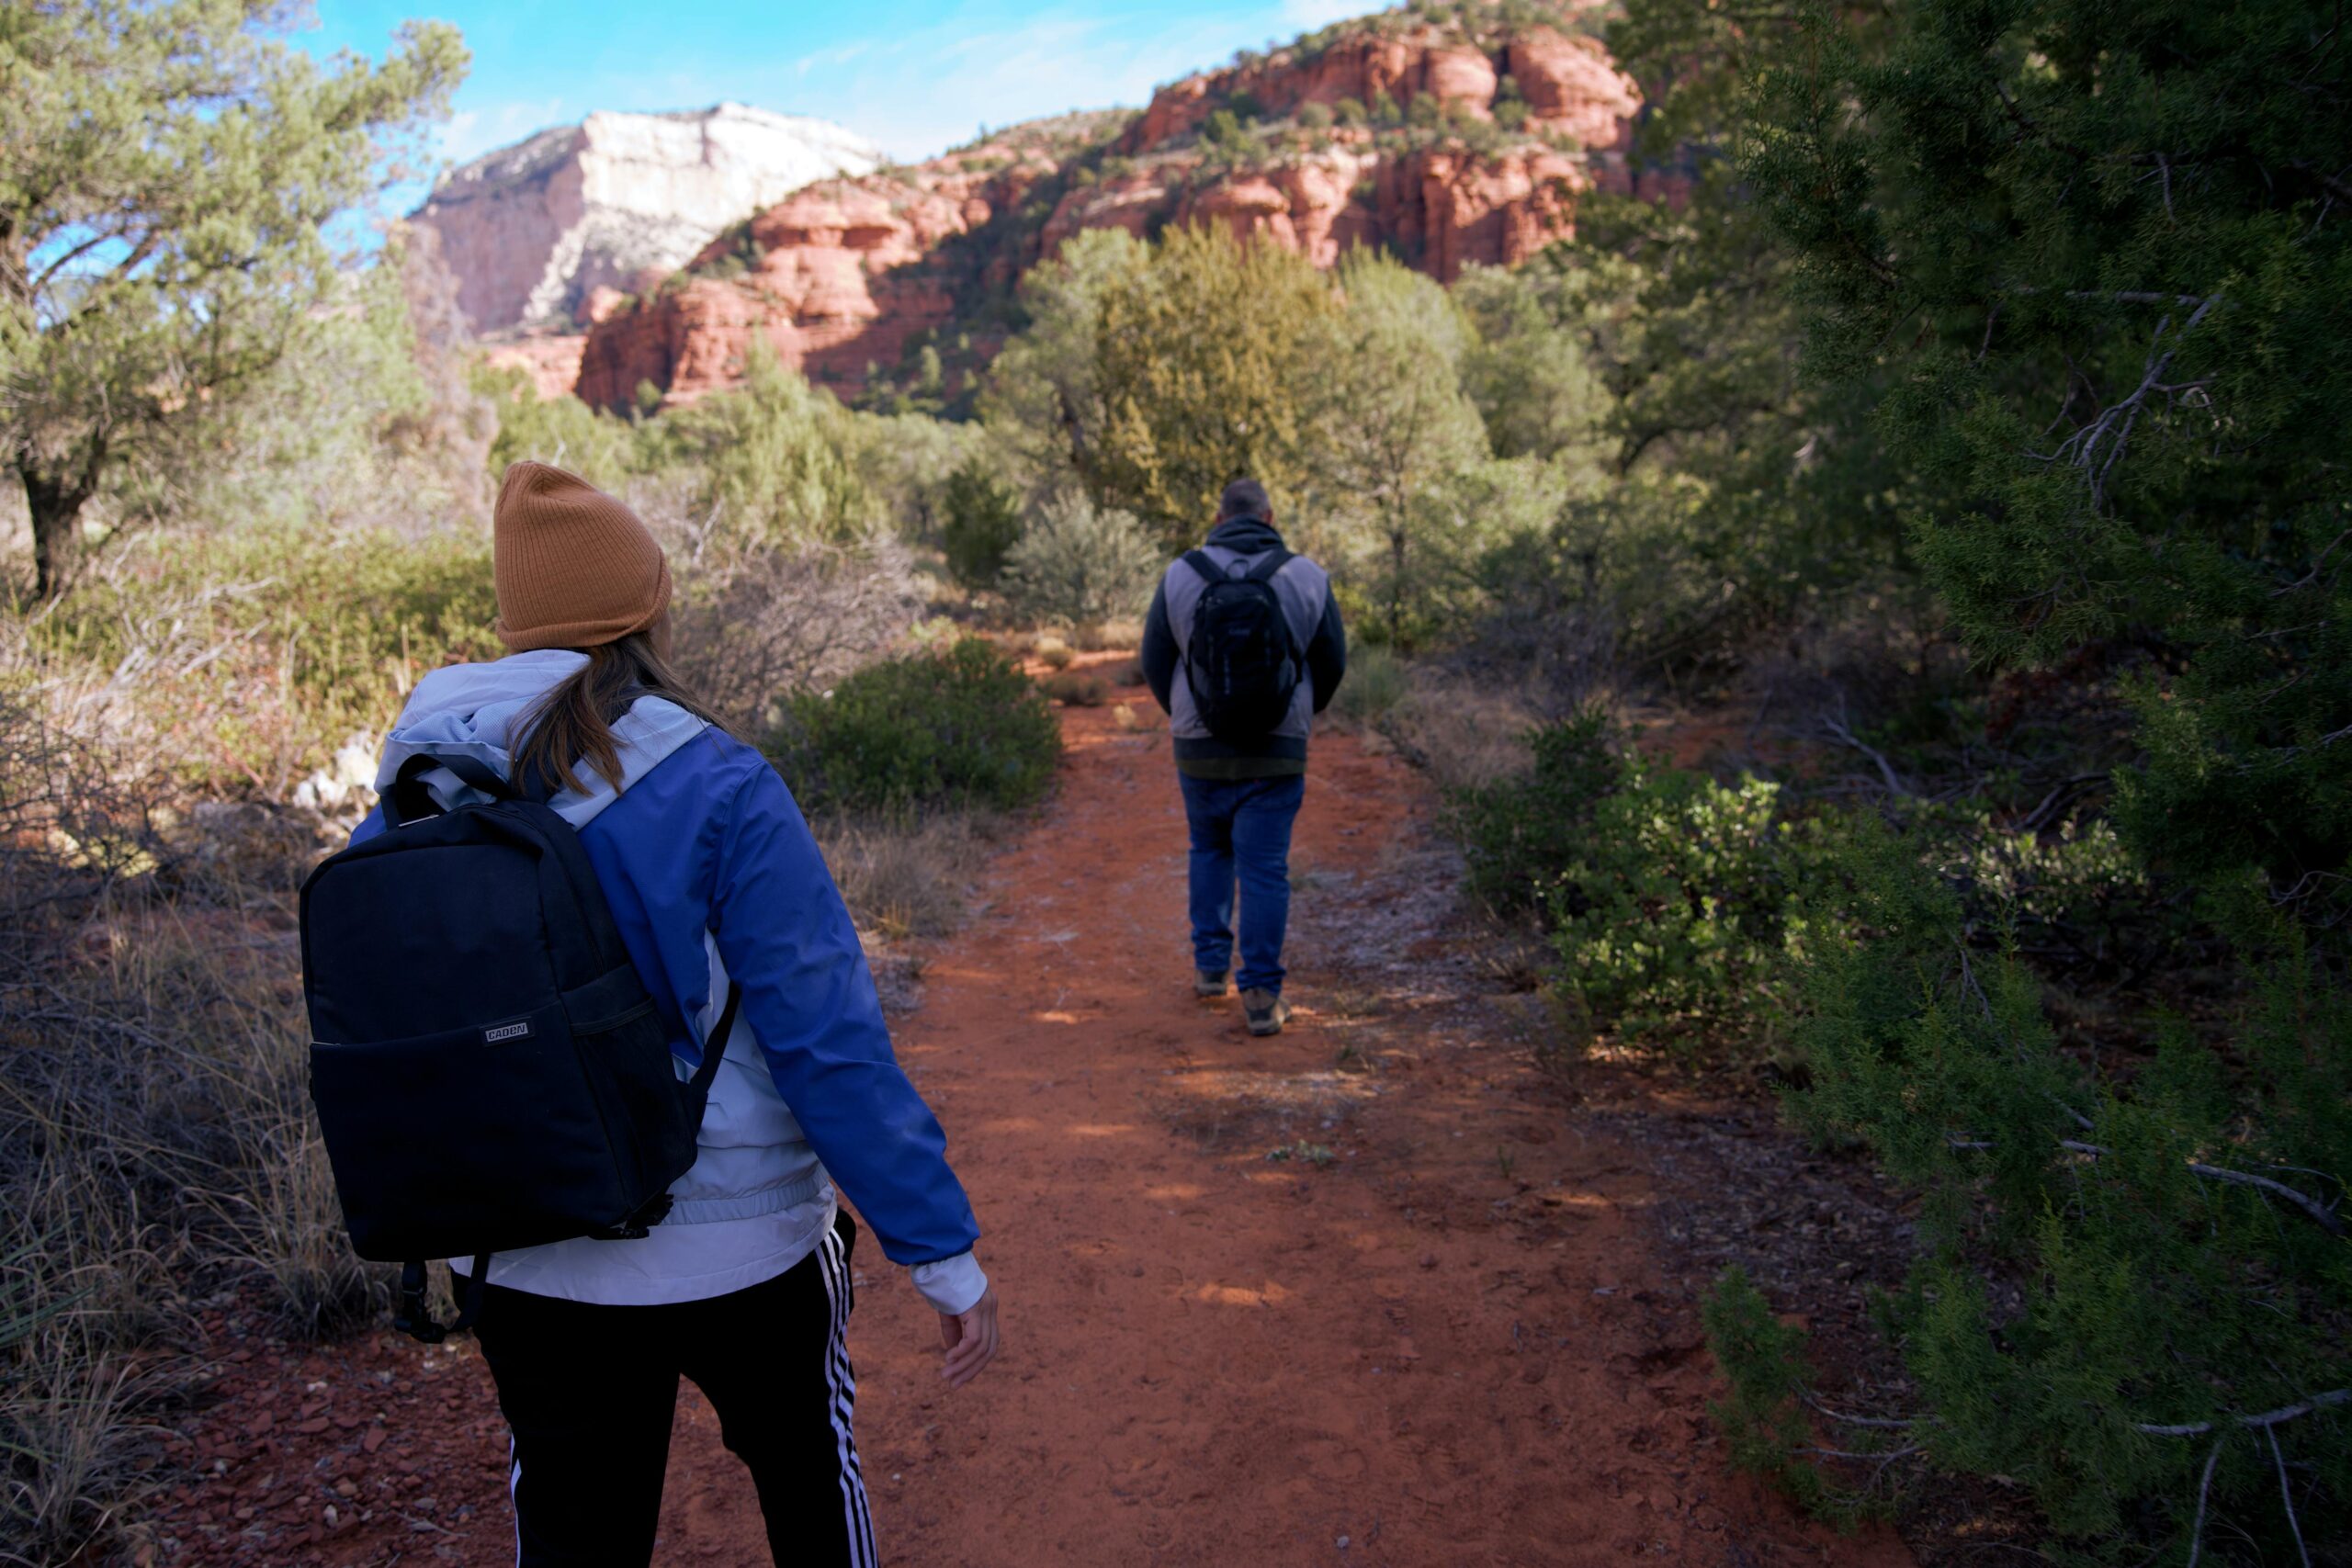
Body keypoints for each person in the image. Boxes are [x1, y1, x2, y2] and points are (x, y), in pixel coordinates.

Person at [350, 462, 999, 1566]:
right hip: (739, 1247)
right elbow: (826, 1042)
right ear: (648, 610)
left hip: (519, 1248)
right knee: (809, 1483)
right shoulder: (721, 784)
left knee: (572, 1529)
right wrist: (939, 1253)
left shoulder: (416, 787)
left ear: (518, 626)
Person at [1140, 477, 1347, 1036]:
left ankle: (1210, 970)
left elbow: (1155, 659)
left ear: (1219, 516)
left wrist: (1189, 716)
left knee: (1207, 848)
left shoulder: (1181, 574)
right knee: (1264, 867)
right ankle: (1261, 995)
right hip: (1278, 751)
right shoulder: (1306, 575)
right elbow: (1331, 663)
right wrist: (1300, 715)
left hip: (1199, 748)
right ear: (1269, 516)